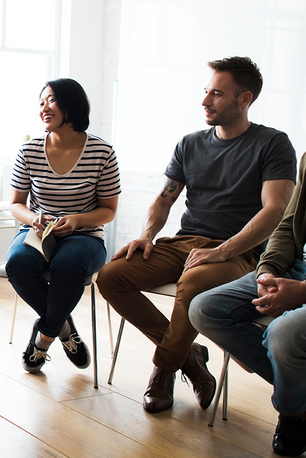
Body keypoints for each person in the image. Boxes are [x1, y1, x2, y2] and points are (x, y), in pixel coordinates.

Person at [96, 56, 297, 414]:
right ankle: (190, 358)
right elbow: (165, 197)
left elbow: (275, 210)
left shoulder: (272, 143)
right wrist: (146, 235)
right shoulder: (189, 143)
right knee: (111, 277)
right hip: (184, 244)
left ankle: (163, 369)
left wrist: (222, 251)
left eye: (217, 94)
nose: (205, 101)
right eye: (206, 92)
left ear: (244, 99)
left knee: (192, 285)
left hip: (237, 253)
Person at [189, 151, 306, 456]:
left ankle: (294, 414)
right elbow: (288, 225)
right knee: (205, 309)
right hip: (295, 265)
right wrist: (268, 270)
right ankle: (299, 396)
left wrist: (303, 292)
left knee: (284, 334)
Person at [5, 78, 121, 374]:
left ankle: (42, 341)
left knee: (68, 265)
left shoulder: (102, 152)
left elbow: (108, 211)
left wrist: (76, 221)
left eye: (52, 100)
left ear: (73, 104)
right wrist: (34, 219)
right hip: (37, 231)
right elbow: (16, 204)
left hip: (86, 236)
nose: (44, 107)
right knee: (17, 263)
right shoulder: (29, 151)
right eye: (41, 102)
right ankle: (64, 328)